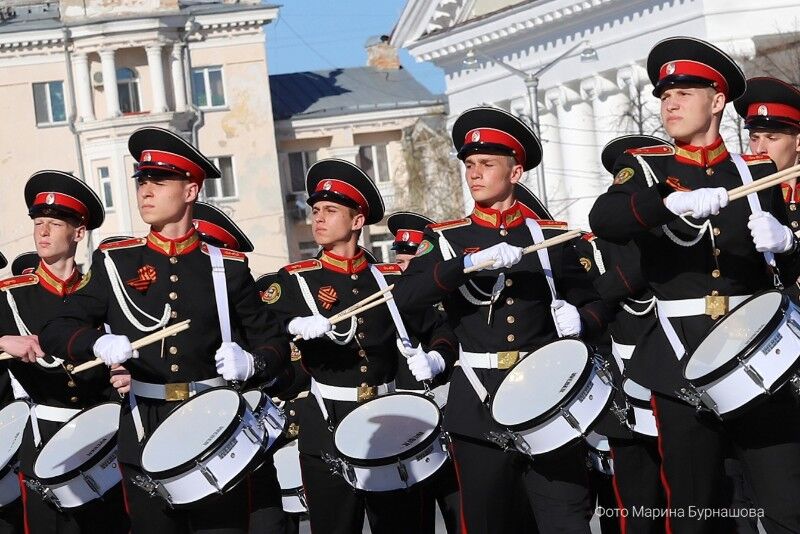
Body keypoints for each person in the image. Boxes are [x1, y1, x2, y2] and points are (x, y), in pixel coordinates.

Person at [589, 37, 800, 533]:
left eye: (685, 92)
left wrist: (788, 245)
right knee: (695, 510)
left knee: (786, 503)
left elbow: (785, 278)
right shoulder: (648, 168)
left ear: (718, 100)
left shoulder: (758, 173)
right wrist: (665, 205)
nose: (671, 103)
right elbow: (607, 217)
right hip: (679, 364)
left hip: (757, 355)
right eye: (665, 95)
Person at [39, 127, 289, 534]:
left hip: (213, 423)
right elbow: (57, 326)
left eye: (159, 181)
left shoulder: (227, 267)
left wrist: (253, 362)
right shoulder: (116, 262)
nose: (145, 191)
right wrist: (96, 341)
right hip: (144, 423)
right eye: (141, 181)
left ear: (191, 191)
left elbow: (273, 341)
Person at [396, 106, 610, 534]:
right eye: (470, 165)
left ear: (516, 173)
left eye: (487, 165)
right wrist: (467, 264)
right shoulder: (446, 239)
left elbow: (596, 302)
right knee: (491, 522)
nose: (474, 174)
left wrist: (581, 320)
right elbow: (407, 297)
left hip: (547, 398)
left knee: (565, 518)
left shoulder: (550, 238)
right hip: (478, 404)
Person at [265, 158, 458, 534]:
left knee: (403, 526)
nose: (318, 218)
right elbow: (262, 328)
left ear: (357, 222)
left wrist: (436, 359)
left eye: (330, 211)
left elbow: (440, 327)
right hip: (327, 422)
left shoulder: (388, 281)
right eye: (316, 210)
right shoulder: (295, 281)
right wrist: (292, 323)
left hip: (388, 418)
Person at [0, 170, 129, 533]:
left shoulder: (102, 289)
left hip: (104, 433)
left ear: (78, 233)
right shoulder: (13, 294)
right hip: (45, 434)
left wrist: (125, 372)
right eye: (38, 223)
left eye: (54, 224)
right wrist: (2, 341)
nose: (42, 232)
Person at [386, 211, 461, 534]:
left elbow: (446, 332)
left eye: (411, 264)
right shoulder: (388, 296)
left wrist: (437, 357)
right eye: (400, 264)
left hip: (446, 410)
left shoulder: (444, 298)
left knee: (459, 510)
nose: (404, 271)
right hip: (403, 416)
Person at [735, 76, 800, 304]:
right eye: (754, 138)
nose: (759, 148)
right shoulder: (742, 197)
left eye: (772, 137)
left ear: (798, 142)